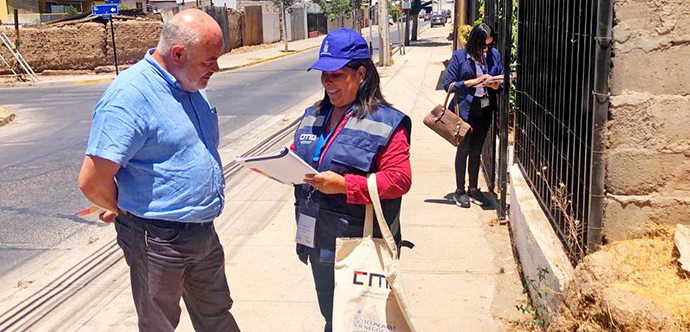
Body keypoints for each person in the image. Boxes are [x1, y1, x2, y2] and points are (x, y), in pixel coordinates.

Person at [77, 9, 241, 332]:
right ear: (178, 54)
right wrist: (122, 206)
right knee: (160, 326)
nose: (216, 68)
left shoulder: (190, 83)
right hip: (158, 239)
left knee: (217, 317)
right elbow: (91, 180)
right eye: (210, 60)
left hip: (203, 232)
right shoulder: (129, 96)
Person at [290, 28, 412, 332]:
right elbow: (297, 154)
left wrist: (346, 186)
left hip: (357, 245)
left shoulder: (386, 122)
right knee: (331, 315)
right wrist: (278, 166)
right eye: (323, 74)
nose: (326, 82)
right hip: (316, 241)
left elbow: (399, 179)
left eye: (336, 74)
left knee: (358, 323)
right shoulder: (313, 114)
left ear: (361, 73)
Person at [443, 23, 504, 208]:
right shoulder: (460, 57)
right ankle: (460, 190)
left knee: (477, 150)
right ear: (475, 43)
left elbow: (501, 79)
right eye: (484, 46)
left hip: (484, 109)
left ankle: (474, 188)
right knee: (464, 149)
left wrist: (494, 84)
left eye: (490, 45)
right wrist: (472, 82)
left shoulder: (493, 55)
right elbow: (449, 85)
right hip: (465, 110)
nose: (487, 49)